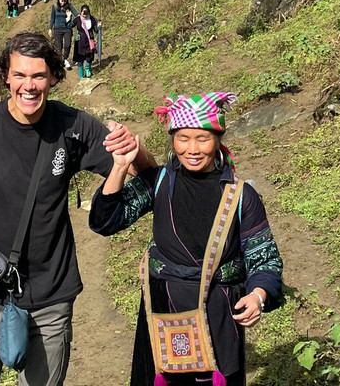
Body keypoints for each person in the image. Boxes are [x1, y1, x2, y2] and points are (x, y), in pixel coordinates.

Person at [0, 32, 153, 386]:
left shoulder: (73, 127)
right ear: (6, 76)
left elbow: (145, 170)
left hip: (50, 295)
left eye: (38, 76)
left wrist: (134, 148)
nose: (29, 86)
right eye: (19, 75)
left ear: (53, 76)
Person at [90, 93, 284, 386]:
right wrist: (119, 166)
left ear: (217, 139)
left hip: (217, 313)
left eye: (202, 139)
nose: (192, 149)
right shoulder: (158, 182)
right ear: (172, 139)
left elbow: (265, 259)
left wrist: (257, 296)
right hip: (162, 307)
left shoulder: (240, 196)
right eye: (183, 138)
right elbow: (105, 221)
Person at [48, 0, 77, 69]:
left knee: (67, 45)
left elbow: (77, 15)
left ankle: (65, 58)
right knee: (59, 47)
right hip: (57, 29)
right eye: (62, 1)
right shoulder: (54, 7)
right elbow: (52, 18)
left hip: (67, 28)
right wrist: (50, 28)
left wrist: (69, 17)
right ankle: (61, 61)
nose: (63, 3)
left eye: (65, 1)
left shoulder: (69, 6)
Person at [72, 5, 100, 80]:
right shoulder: (78, 19)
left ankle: (87, 69)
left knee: (89, 57)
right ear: (80, 12)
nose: (84, 15)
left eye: (86, 14)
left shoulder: (92, 19)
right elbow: (69, 26)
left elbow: (96, 31)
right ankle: (81, 76)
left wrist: (98, 26)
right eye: (83, 14)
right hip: (79, 42)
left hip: (89, 41)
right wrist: (68, 18)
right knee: (80, 58)